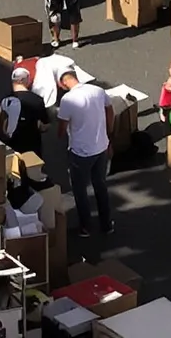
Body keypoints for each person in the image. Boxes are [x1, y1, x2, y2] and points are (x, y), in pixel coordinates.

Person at [54, 71, 114, 238]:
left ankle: (86, 227)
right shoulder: (98, 91)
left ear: (62, 84)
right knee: (100, 185)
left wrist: (62, 135)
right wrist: (108, 134)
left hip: (80, 151)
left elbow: (62, 127)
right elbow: (110, 111)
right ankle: (106, 224)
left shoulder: (68, 100)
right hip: (101, 147)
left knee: (80, 190)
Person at [0, 65, 50, 145]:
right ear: (25, 80)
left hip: (12, 142)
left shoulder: (6, 100)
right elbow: (45, 126)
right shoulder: (37, 99)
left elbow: (2, 122)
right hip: (32, 141)